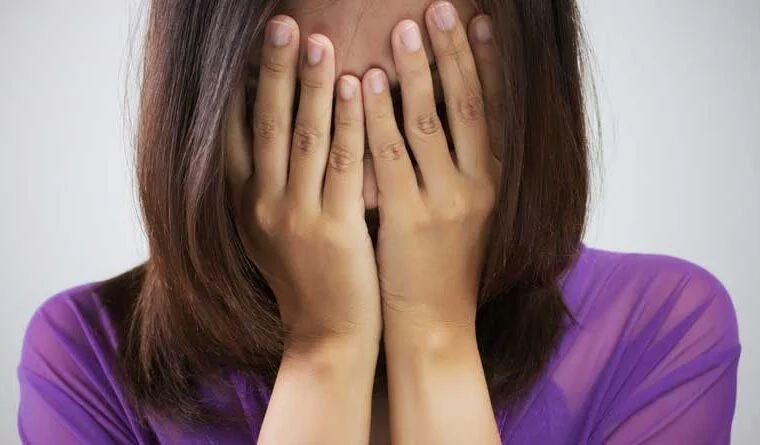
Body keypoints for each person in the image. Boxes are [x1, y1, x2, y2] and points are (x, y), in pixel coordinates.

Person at [17, 0, 741, 444]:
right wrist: (324, 351)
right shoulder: (88, 360)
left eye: (422, 112)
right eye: (301, 115)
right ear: (206, 108)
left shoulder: (658, 335)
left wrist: (434, 336)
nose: (361, 186)